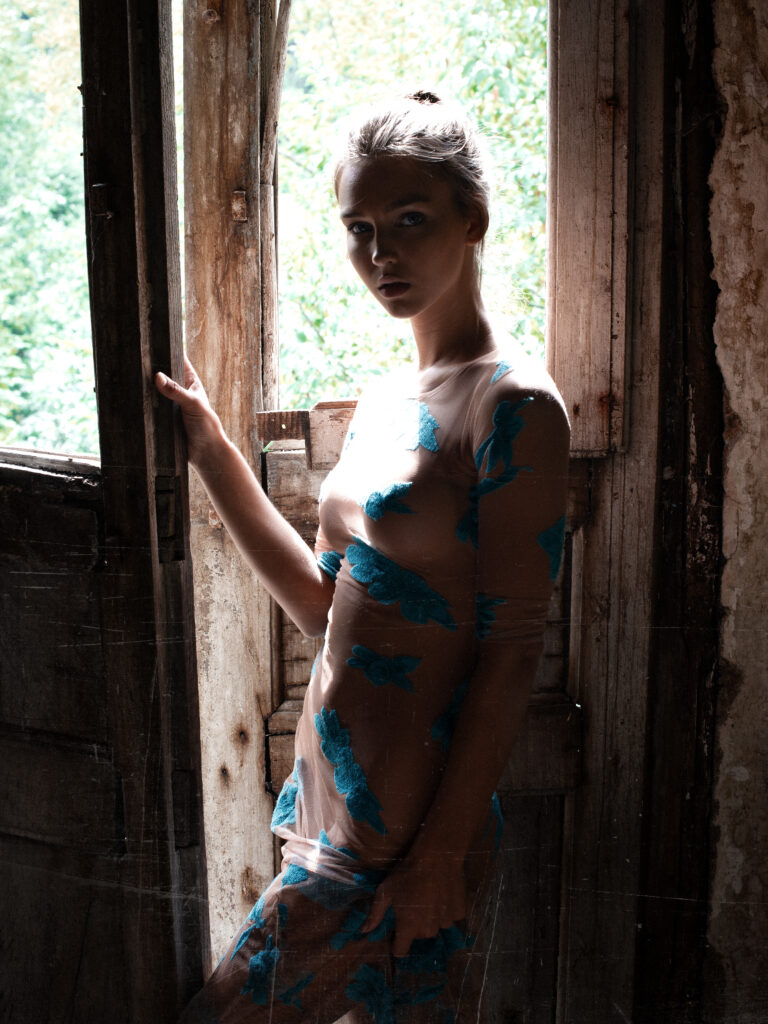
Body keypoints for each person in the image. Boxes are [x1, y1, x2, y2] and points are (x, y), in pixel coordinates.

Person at [156, 90, 570, 1024]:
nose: (380, 255)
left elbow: (511, 655)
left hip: (405, 841)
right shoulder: (386, 399)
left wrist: (438, 861)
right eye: (359, 229)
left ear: (474, 219)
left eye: (409, 222)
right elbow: (322, 607)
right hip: (326, 816)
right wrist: (216, 452)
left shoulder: (518, 410)